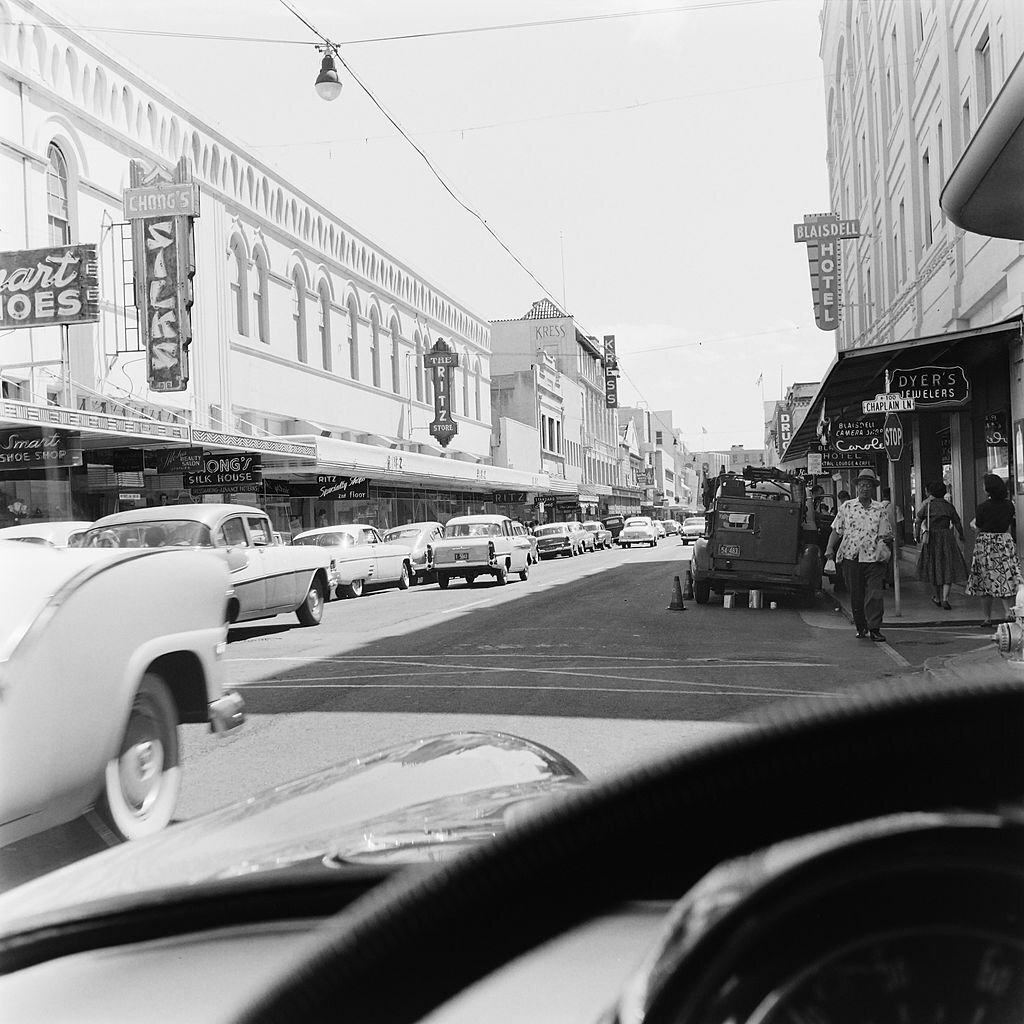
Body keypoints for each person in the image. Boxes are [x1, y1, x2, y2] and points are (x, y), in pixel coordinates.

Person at [823, 468, 893, 641]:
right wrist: (829, 548)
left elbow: (886, 533)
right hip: (851, 557)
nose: (864, 489)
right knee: (856, 594)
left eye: (868, 485)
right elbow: (836, 531)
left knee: (875, 593)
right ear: (857, 488)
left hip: (873, 559)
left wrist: (885, 543)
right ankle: (861, 626)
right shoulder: (847, 507)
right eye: (862, 485)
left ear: (873, 488)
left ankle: (874, 627)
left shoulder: (880, 509)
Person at [965, 473, 1023, 626]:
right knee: (1006, 578)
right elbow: (1010, 524)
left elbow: (978, 527)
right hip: (1004, 541)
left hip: (986, 544)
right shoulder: (1009, 505)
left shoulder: (982, 507)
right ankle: (1008, 612)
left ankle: (987, 618)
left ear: (988, 488)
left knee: (985, 581)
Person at [913, 481, 967, 609]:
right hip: (947, 538)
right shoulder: (948, 506)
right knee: (947, 566)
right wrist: (961, 535)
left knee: (933, 566)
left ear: (930, 492)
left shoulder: (928, 506)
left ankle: (937, 597)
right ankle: (945, 598)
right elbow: (957, 522)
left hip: (932, 538)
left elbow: (918, 519)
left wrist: (916, 535)